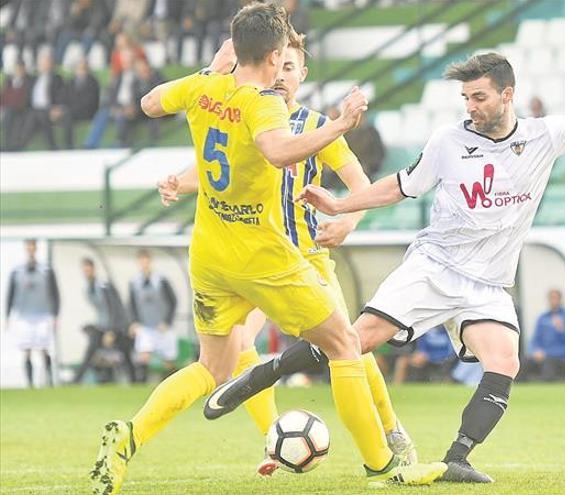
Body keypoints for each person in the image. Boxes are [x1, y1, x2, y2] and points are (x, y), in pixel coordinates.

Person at [207, 26, 565, 483]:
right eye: (466, 99)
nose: (471, 107)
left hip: (488, 284)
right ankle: (258, 378)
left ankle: (457, 459)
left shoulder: (542, 137)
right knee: (352, 342)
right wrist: (340, 203)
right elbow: (399, 187)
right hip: (434, 268)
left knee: (505, 360)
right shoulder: (448, 141)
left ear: (507, 95)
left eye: (480, 98)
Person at [89, 5, 446, 494]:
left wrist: (211, 71)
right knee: (345, 342)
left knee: (212, 366)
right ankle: (385, 466)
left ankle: (126, 440)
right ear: (276, 56)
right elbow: (276, 150)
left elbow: (151, 103)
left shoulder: (205, 85)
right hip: (264, 257)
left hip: (210, 255)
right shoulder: (265, 105)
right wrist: (341, 124)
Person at [157, 29, 417, 469]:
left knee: (347, 342)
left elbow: (362, 188)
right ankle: (272, 440)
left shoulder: (316, 127)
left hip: (306, 258)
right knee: (240, 343)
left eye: (291, 68)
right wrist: (179, 182)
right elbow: (214, 165)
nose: (281, 75)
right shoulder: (249, 110)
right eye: (279, 65)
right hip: (260, 256)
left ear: (302, 74)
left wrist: (346, 223)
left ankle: (391, 429)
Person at [4, 239, 60, 388]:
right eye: (28, 247)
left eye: (33, 247)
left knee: (44, 347)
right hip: (24, 315)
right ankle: (30, 383)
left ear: (36, 248)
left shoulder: (46, 270)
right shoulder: (17, 271)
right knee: (27, 348)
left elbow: (55, 294)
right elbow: (10, 294)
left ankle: (50, 381)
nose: (31, 250)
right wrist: (7, 316)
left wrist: (55, 314)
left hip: (43, 314)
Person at [74, 258, 137, 385]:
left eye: (88, 269)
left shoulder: (103, 285)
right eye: (84, 270)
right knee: (91, 350)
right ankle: (76, 381)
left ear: (93, 269)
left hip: (116, 326)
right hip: (102, 326)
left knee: (125, 352)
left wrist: (111, 331)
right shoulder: (88, 288)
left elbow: (113, 307)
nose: (87, 272)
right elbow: (101, 310)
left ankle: (135, 381)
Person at [128, 250, 178, 383]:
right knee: (144, 354)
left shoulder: (161, 280)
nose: (144, 264)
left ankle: (171, 383)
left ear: (150, 261)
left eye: (146, 260)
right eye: (141, 261)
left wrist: (167, 321)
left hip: (161, 326)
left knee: (168, 359)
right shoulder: (134, 282)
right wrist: (134, 322)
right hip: (145, 325)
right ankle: (141, 384)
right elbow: (131, 304)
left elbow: (173, 301)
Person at [527, 289, 565, 382]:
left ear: (561, 300)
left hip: (564, 358)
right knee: (525, 362)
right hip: (544, 357)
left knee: (548, 364)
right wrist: (535, 351)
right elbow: (535, 340)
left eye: (555, 298)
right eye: (551, 298)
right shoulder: (543, 318)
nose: (553, 301)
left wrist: (562, 330)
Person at [19, 52, 68, 150]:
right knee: (30, 115)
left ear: (52, 64)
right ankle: (18, 146)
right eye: (42, 63)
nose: (44, 65)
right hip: (33, 109)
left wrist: (57, 108)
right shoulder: (33, 79)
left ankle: (52, 147)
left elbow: (62, 95)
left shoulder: (57, 78)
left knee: (39, 115)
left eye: (47, 63)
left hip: (49, 108)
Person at [59, 58, 100, 149]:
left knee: (67, 115)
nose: (81, 71)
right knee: (64, 114)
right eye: (79, 68)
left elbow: (91, 101)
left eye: (83, 68)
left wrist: (70, 109)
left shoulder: (93, 82)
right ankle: (66, 145)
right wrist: (62, 108)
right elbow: (64, 98)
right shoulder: (70, 82)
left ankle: (69, 146)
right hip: (72, 111)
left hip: (87, 112)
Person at [0, 60, 32, 151]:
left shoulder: (28, 81)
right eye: (17, 69)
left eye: (20, 69)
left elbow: (26, 97)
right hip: (6, 108)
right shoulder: (9, 80)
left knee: (10, 114)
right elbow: (3, 95)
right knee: (7, 112)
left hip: (20, 108)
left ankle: (9, 145)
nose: (18, 71)